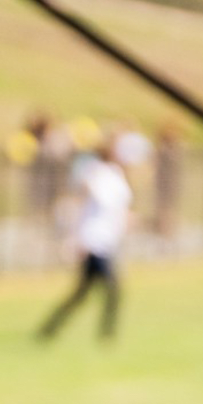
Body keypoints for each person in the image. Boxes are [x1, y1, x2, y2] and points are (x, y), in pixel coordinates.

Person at [38, 146, 132, 341]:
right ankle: (106, 334)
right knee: (112, 288)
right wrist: (77, 240)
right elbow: (90, 200)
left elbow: (118, 209)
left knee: (81, 295)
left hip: (105, 242)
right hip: (94, 244)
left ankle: (50, 328)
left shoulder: (114, 177)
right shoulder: (99, 175)